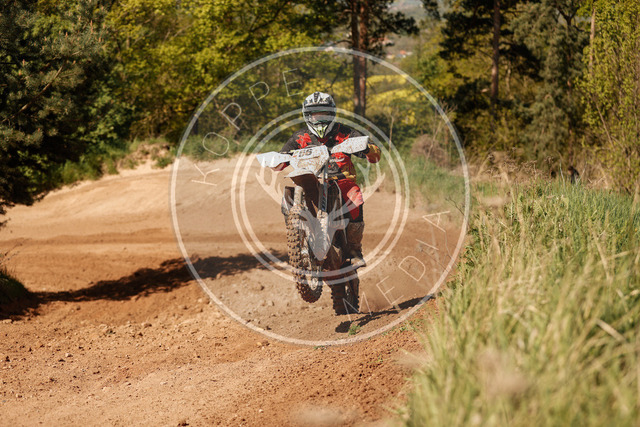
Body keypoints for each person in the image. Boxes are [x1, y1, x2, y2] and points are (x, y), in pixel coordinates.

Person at [274, 91, 381, 267]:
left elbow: (375, 155)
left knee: (354, 195)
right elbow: (281, 160)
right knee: (289, 195)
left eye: (324, 114)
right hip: (310, 180)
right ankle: (297, 237)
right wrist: (276, 160)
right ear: (308, 116)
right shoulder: (300, 137)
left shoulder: (346, 133)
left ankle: (354, 249)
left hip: (341, 181)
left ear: (332, 114)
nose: (320, 119)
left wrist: (367, 148)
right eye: (315, 115)